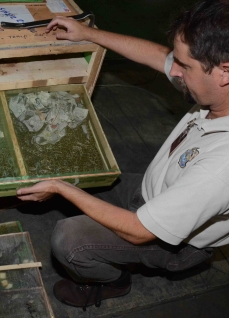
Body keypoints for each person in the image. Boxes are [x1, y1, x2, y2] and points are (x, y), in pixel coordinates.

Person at [17, 0, 229, 311]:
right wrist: (89, 34)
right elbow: (157, 55)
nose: (173, 70)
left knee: (68, 238)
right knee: (85, 169)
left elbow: (141, 230)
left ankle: (113, 282)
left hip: (172, 242)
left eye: (184, 66)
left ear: (226, 72)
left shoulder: (221, 167)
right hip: (152, 189)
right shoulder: (216, 87)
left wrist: (63, 188)